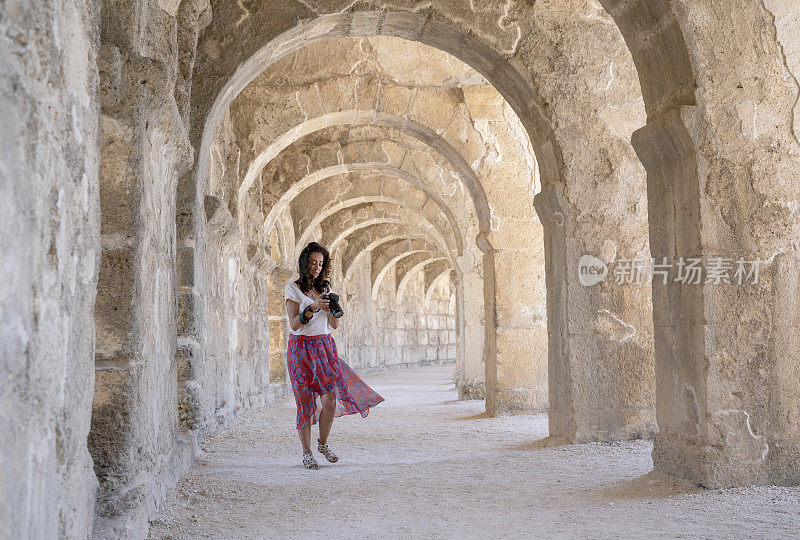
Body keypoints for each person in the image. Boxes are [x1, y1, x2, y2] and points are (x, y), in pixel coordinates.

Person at [284, 242, 385, 469]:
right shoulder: (292, 288)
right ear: (304, 262)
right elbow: (294, 324)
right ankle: (306, 452)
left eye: (320, 264)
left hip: (324, 347)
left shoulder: (326, 289)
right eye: (312, 263)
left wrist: (330, 309)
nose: (316, 267)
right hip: (300, 349)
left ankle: (323, 443)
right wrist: (311, 307)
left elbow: (335, 325)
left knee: (329, 399)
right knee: (305, 401)